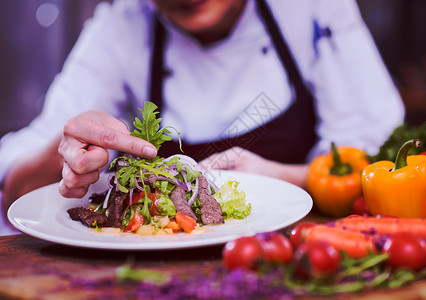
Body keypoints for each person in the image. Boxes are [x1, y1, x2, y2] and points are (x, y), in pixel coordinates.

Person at [0, 0, 405, 235]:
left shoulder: (312, 8)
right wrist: (69, 151)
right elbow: (15, 181)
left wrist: (287, 178)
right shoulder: (120, 23)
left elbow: (375, 159)